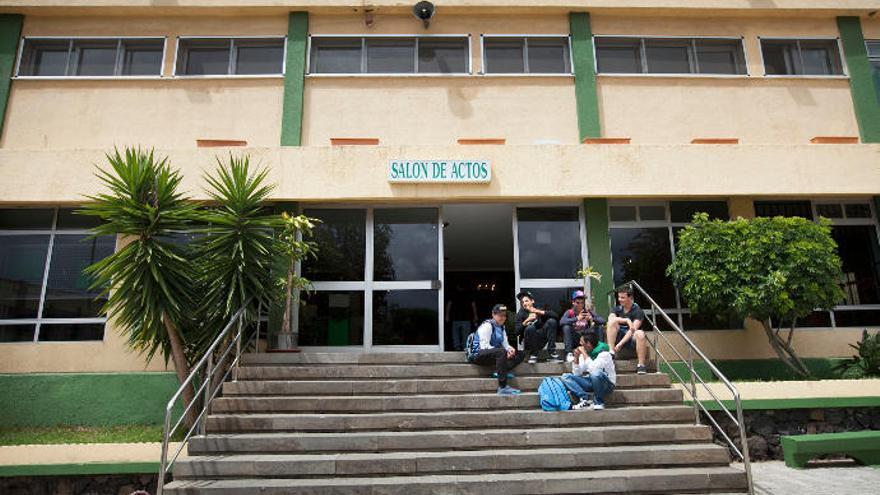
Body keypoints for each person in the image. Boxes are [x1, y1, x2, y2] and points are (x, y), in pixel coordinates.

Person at [471, 304, 525, 395]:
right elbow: (484, 346)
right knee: (501, 352)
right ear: (493, 314)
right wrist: (504, 352)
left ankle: (499, 371)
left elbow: (505, 344)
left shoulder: (502, 327)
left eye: (504, 315)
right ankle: (502, 387)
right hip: (478, 355)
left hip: (494, 355)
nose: (503, 318)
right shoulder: (487, 326)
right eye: (500, 315)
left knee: (520, 354)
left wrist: (509, 349)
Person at [561, 332, 616, 410]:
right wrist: (576, 358)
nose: (580, 346)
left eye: (582, 343)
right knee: (566, 377)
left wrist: (583, 353)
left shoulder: (604, 353)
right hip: (592, 382)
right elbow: (577, 373)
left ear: (588, 344)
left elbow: (594, 369)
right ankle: (584, 399)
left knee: (596, 373)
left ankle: (599, 402)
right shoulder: (585, 354)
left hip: (607, 384)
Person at [605, 285, 649, 375]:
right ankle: (611, 351)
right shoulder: (617, 308)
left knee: (640, 333)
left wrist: (620, 344)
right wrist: (626, 320)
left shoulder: (638, 311)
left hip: (630, 339)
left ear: (630, 297)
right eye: (619, 297)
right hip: (617, 336)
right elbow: (611, 320)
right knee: (611, 323)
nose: (620, 299)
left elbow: (632, 330)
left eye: (622, 297)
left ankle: (641, 365)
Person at [514, 291, 562, 364]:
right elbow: (516, 332)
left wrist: (538, 311)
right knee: (530, 328)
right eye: (522, 302)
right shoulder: (521, 313)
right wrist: (527, 320)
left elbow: (556, 316)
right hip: (529, 343)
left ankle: (552, 352)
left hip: (541, 339)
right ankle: (533, 354)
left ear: (532, 301)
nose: (524, 303)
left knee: (552, 321)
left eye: (526, 301)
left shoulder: (539, 309)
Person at [559, 290, 606, 362]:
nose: (580, 305)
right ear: (573, 302)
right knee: (566, 327)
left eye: (582, 303)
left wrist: (591, 318)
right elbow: (561, 322)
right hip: (576, 338)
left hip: (586, 337)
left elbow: (602, 321)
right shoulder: (570, 312)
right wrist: (577, 318)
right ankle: (569, 353)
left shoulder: (587, 311)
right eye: (577, 303)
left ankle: (600, 350)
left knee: (599, 326)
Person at [445, 283, 478, 351]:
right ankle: (464, 347)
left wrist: (447, 315)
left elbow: (449, 304)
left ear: (457, 286)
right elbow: (473, 305)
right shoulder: (468, 294)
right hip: (466, 318)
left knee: (455, 334)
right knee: (465, 334)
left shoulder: (454, 294)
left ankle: (457, 347)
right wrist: (475, 315)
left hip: (456, 317)